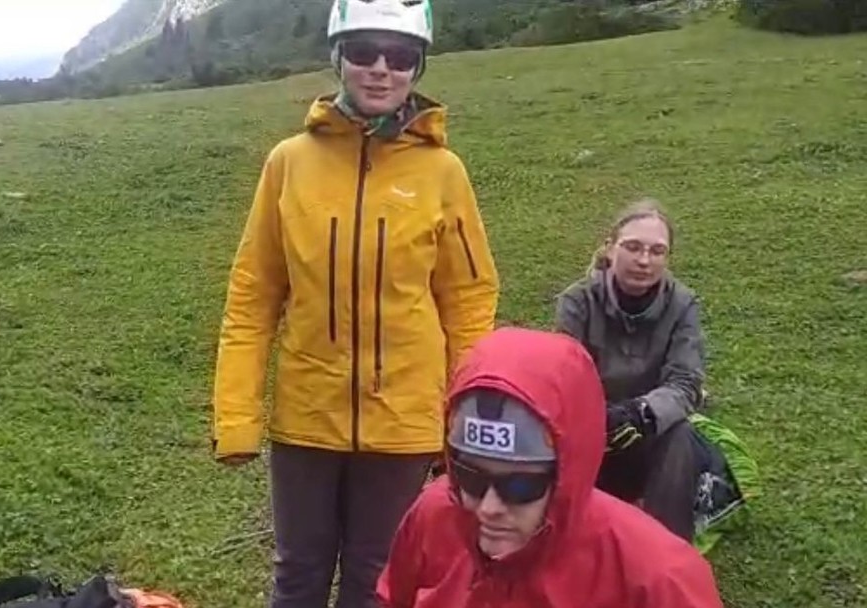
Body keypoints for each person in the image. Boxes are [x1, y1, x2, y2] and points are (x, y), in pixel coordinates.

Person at [209, 0, 500, 606]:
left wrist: (465, 420)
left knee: (377, 581)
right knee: (298, 574)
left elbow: (469, 302)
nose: (381, 69)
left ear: (418, 68)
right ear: (338, 58)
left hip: (406, 425)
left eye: (401, 56)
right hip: (306, 418)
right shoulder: (289, 163)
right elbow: (253, 295)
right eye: (364, 51)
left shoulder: (444, 172)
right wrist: (236, 419)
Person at [376, 327, 726, 607]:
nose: (489, 508)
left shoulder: (659, 580)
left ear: (568, 473)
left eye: (520, 486)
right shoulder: (435, 516)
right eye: (470, 477)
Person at [553, 199, 759, 547]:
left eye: (657, 251)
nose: (644, 260)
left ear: (667, 257)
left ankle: (667, 552)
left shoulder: (683, 304)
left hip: (652, 433)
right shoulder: (577, 302)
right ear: (610, 248)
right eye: (633, 247)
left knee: (680, 435)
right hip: (590, 432)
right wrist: (598, 419)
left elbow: (686, 383)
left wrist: (642, 413)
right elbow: (563, 377)